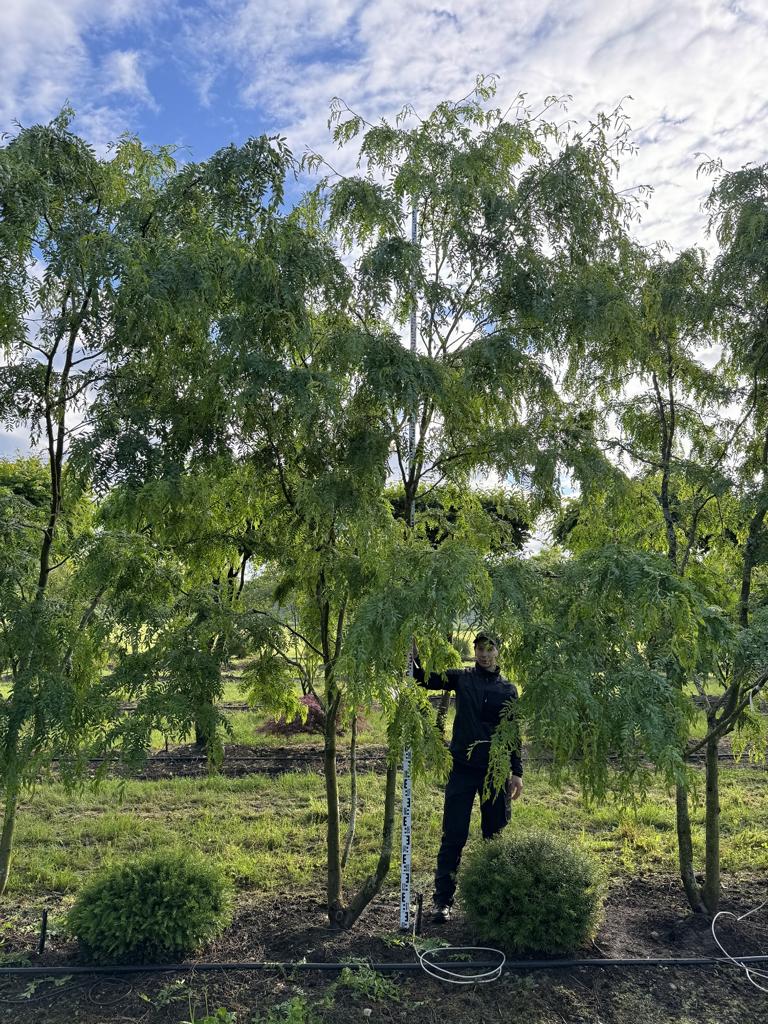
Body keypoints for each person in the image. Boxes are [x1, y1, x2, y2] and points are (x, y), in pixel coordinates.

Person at [413, 632, 523, 923]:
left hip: (495, 773)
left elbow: (512, 733)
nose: (484, 654)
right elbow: (424, 679)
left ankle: (492, 902)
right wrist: (412, 652)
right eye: (480, 649)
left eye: (490, 649)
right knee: (454, 835)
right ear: (474, 651)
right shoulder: (462, 679)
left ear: (498, 652)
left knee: (495, 836)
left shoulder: (508, 690)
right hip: (461, 768)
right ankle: (443, 902)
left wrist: (517, 773)